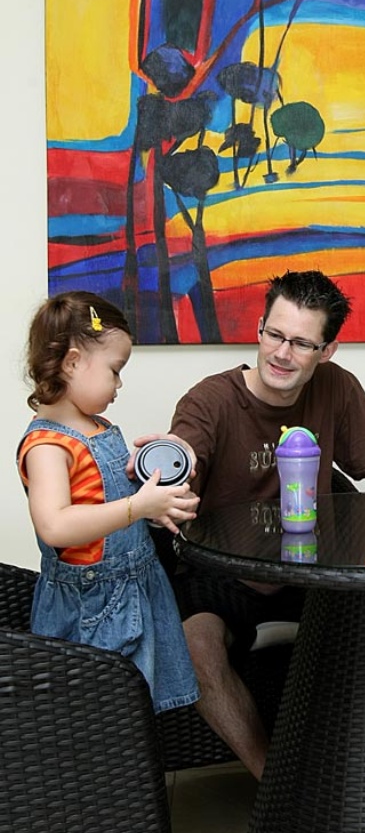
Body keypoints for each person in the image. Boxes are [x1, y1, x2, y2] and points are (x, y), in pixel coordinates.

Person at [161, 269, 365, 778]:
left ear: (327, 351)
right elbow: (182, 461)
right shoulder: (210, 400)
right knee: (193, 647)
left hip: (313, 573)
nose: (281, 353)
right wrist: (172, 465)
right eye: (274, 334)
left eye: (301, 343)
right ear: (259, 329)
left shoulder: (337, 388)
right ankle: (277, 786)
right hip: (223, 575)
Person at [17, 291, 200, 714]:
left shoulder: (98, 427)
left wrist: (156, 500)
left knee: (136, 714)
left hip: (137, 589)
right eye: (115, 371)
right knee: (103, 718)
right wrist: (138, 507)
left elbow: (110, 503)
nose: (119, 385)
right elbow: (55, 525)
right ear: (72, 362)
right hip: (93, 609)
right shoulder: (47, 445)